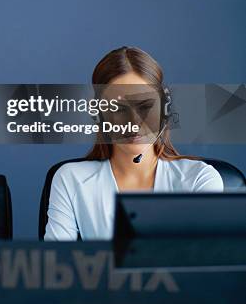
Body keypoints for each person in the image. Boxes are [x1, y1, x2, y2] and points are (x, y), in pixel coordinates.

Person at [44, 46, 223, 241]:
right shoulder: (70, 179)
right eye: (119, 109)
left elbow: (204, 263)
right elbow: (57, 265)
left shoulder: (199, 180)